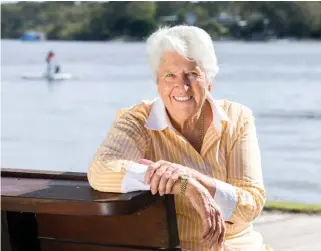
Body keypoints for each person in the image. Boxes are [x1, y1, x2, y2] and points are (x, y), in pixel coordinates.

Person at [88, 25, 271, 251]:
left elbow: (250, 205)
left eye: (192, 74)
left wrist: (190, 175)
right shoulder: (137, 120)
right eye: (170, 75)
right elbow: (102, 170)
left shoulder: (237, 118)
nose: (181, 86)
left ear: (210, 81)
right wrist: (187, 185)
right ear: (158, 82)